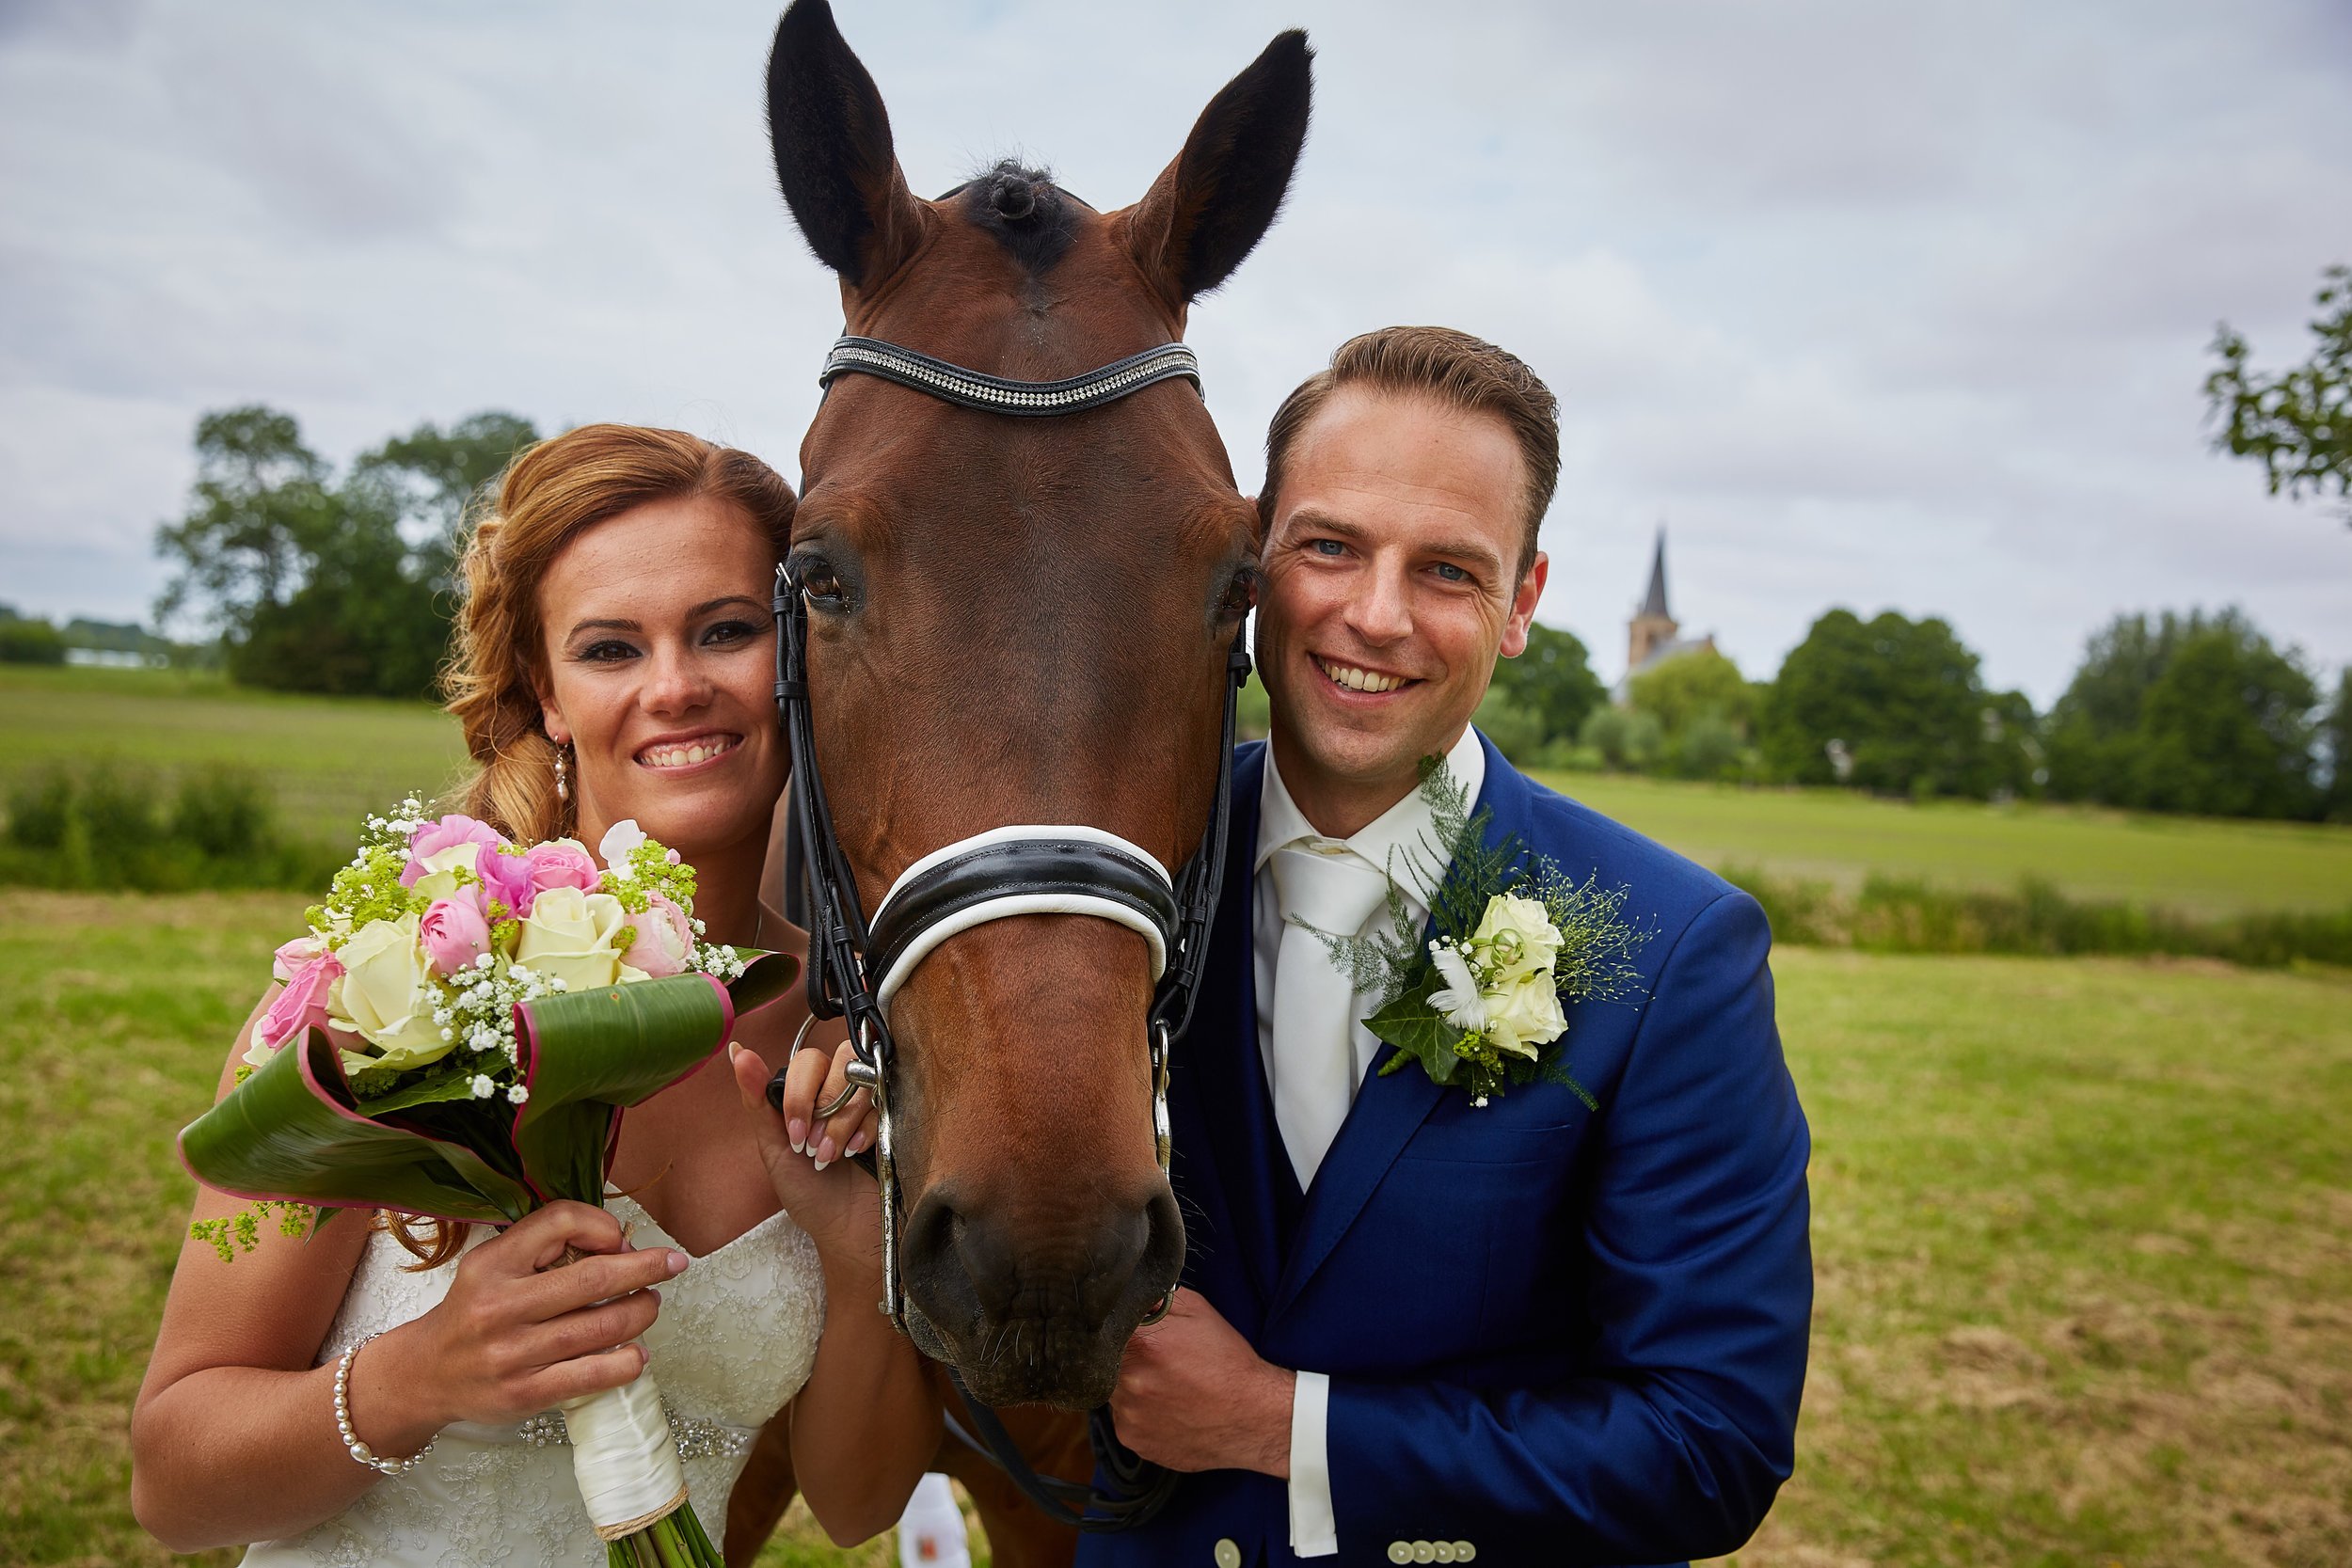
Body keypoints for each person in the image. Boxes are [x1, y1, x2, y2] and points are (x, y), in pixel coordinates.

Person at [132, 424, 940, 1564]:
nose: (676, 686)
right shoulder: (395, 989)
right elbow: (173, 1484)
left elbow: (858, 1505)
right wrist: (423, 1374)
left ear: (800, 652)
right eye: (611, 648)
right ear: (544, 693)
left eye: (727, 630)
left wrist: (863, 1255)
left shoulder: (850, 1033)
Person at [1094, 328, 1813, 1565]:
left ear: (1522, 601)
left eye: (1446, 569)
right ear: (1257, 555)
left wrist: (1286, 1428)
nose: (1376, 616)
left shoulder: (1675, 949)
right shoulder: (1114, 876)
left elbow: (1710, 1441)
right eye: (1330, 545)